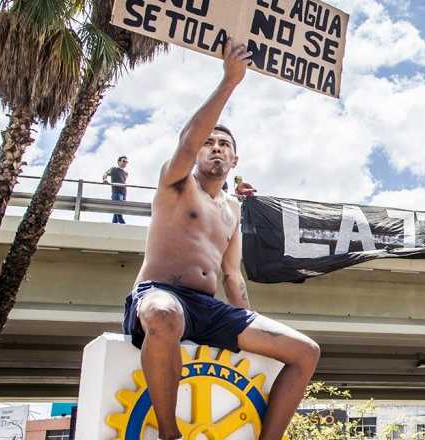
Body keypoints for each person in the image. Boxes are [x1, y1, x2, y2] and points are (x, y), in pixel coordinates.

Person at [121, 39, 319, 440]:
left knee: (305, 352)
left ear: (234, 161)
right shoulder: (175, 184)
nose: (215, 148)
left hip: (209, 308)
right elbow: (188, 140)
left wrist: (249, 322)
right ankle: (168, 434)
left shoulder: (234, 208)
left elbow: (233, 276)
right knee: (163, 315)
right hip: (160, 294)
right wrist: (230, 82)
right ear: (197, 154)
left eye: (224, 144)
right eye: (210, 143)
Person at [103, 155, 129, 224]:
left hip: (124, 193)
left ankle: (113, 225)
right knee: (118, 211)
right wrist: (105, 179)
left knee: (116, 212)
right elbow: (105, 173)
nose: (125, 162)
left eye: (126, 161)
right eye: (124, 161)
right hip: (116, 192)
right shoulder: (114, 169)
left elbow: (123, 181)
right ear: (119, 162)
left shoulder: (126, 173)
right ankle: (124, 226)